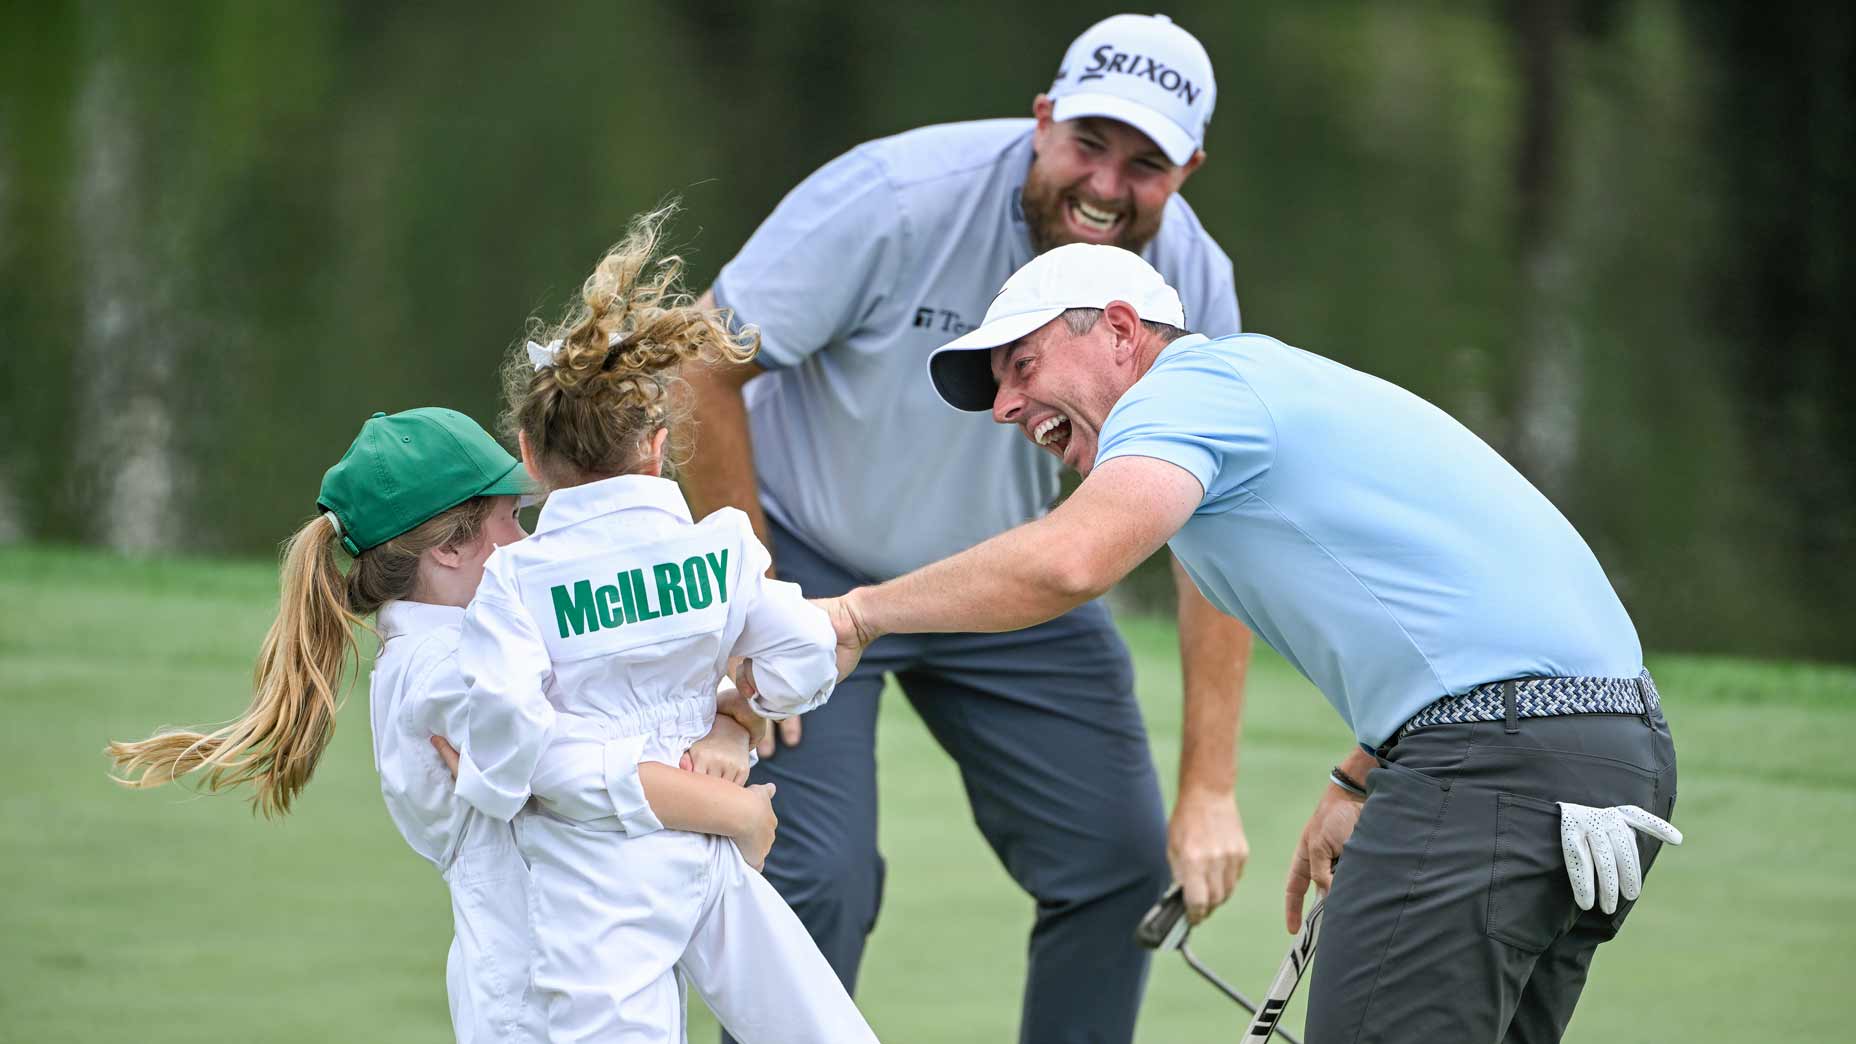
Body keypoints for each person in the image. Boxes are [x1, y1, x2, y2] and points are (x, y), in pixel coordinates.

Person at [807, 243, 1684, 1043]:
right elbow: (1476, 613)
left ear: (1119, 330)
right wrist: (1361, 774)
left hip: (1497, 768)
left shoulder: (1184, 395)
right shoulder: (1253, 391)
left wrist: (855, 616)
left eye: (1023, 365)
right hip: (1605, 757)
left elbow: (1068, 563)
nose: (1004, 406)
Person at [683, 15, 1253, 1039]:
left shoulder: (1189, 285)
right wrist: (745, 597)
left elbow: (1217, 527)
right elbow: (695, 361)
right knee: (815, 871)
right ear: (1042, 120)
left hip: (1010, 579)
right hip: (804, 558)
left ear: (1189, 169)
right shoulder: (895, 199)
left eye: (1145, 164)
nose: (1106, 186)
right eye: (1088, 144)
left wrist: (1208, 788)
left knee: (1117, 868)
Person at [105, 406, 772, 1043]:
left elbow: (644, 707)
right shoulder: (443, 674)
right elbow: (575, 760)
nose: (528, 540)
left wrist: (730, 721)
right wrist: (732, 811)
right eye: (511, 519)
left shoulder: (490, 644)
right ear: (450, 547)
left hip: (599, 970)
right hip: (541, 997)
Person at [448, 207, 879, 1044]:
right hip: (711, 846)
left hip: (597, 871)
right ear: (656, 447)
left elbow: (508, 737)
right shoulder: (721, 551)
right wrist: (736, 714)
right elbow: (801, 656)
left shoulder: (518, 579)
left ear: (531, 460)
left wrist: (488, 780)